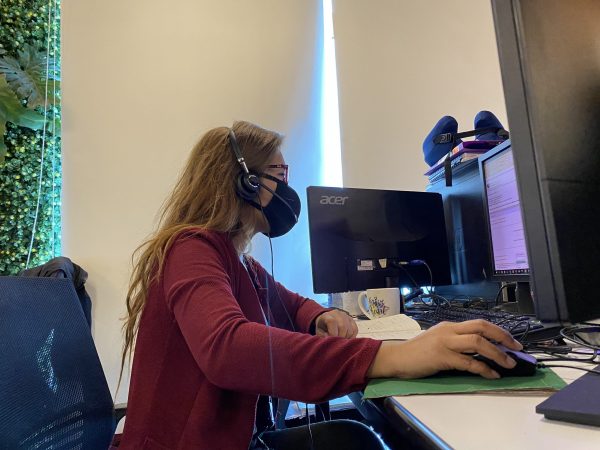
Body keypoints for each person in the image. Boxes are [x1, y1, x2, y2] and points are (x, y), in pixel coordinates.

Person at [117, 121, 523, 450]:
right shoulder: (191, 249)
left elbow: (288, 304)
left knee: (360, 439)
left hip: (238, 438)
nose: (287, 188)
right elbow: (227, 349)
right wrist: (392, 357)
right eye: (280, 174)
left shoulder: (236, 258)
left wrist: (321, 315)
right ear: (246, 184)